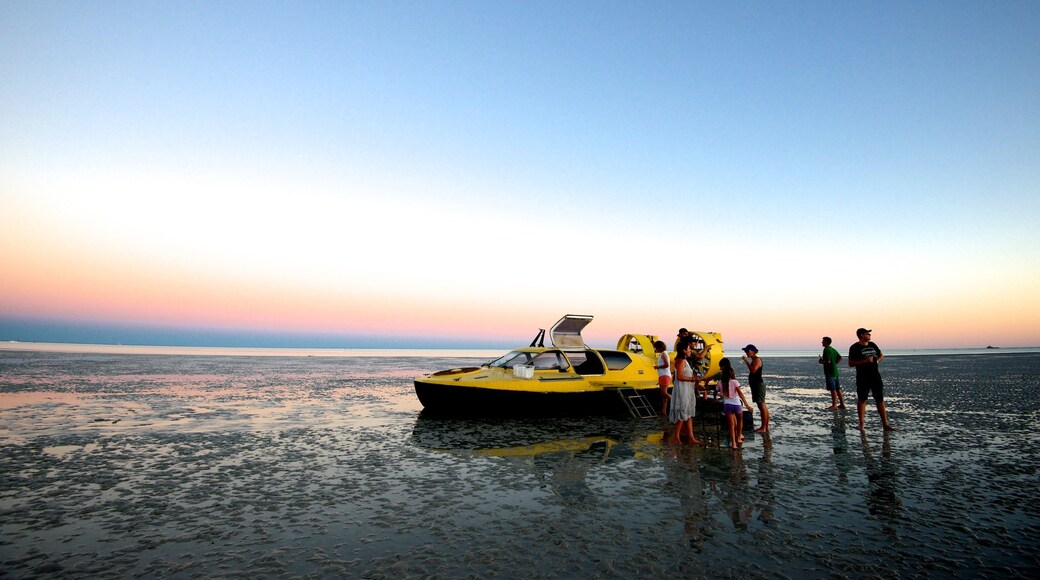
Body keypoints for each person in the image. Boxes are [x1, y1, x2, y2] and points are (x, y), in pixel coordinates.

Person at [848, 328, 896, 432]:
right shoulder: (854, 347)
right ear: (861, 335)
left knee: (879, 399)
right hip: (863, 377)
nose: (869, 335)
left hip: (875, 376)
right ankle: (861, 424)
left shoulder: (872, 344)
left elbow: (881, 355)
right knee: (862, 399)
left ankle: (885, 424)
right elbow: (850, 363)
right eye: (867, 333)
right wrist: (865, 361)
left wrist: (877, 361)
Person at [669, 339, 702, 445]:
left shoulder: (685, 361)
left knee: (688, 413)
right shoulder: (680, 361)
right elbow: (679, 377)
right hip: (682, 389)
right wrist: (692, 379)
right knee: (682, 412)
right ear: (684, 350)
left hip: (688, 389)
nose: (690, 350)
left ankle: (691, 437)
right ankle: (676, 437)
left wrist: (696, 380)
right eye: (688, 349)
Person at [718, 358, 753, 447]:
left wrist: (717, 397)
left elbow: (717, 391)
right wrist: (747, 405)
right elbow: (740, 393)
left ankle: (733, 443)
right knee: (740, 419)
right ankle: (739, 436)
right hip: (736, 404)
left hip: (727, 404)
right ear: (732, 373)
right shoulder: (735, 382)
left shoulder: (721, 382)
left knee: (731, 424)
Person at [741, 344, 770, 432]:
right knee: (761, 405)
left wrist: (745, 361)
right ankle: (765, 426)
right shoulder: (754, 360)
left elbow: (753, 370)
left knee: (762, 405)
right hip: (756, 384)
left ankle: (764, 427)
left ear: (752, 351)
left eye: (747, 351)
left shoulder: (757, 360)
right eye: (746, 351)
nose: (746, 353)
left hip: (758, 384)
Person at [819, 336, 846, 410]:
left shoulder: (826, 349)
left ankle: (834, 405)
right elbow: (840, 358)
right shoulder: (833, 349)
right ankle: (842, 404)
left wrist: (821, 361)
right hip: (835, 371)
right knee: (838, 388)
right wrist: (835, 363)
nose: (822, 342)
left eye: (823, 341)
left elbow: (828, 361)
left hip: (830, 372)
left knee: (833, 389)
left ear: (826, 342)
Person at [654, 340, 672, 416]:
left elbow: (666, 364)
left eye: (656, 348)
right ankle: (663, 411)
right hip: (662, 375)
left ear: (659, 347)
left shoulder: (663, 354)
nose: (655, 349)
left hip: (665, 375)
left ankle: (678, 401)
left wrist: (658, 366)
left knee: (664, 393)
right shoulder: (662, 354)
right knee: (663, 395)